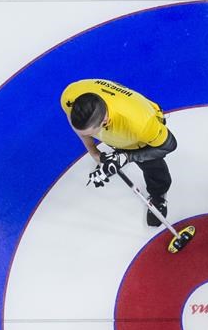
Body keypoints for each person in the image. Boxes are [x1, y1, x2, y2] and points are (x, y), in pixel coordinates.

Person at [61, 79, 177, 226]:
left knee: (152, 166)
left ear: (105, 121)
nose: (84, 135)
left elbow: (169, 145)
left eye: (91, 133)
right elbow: (81, 130)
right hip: (118, 132)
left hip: (140, 136)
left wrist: (127, 157)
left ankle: (159, 195)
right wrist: (94, 152)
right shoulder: (70, 95)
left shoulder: (141, 125)